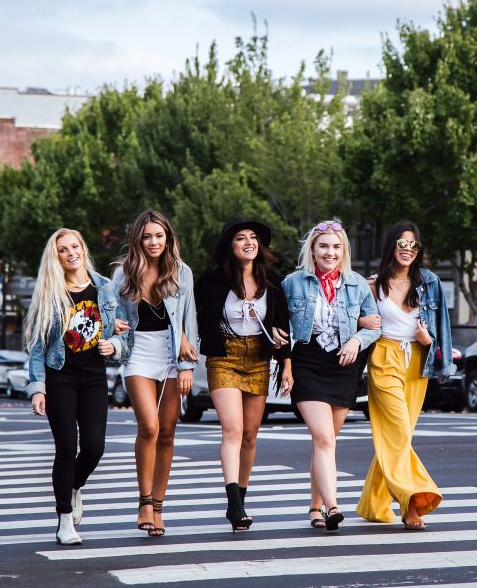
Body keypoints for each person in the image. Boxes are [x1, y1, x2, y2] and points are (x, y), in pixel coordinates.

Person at [25, 228, 127, 545]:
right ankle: (64, 519)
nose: (71, 253)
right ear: (55, 257)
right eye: (63, 249)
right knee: (67, 448)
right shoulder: (49, 293)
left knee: (95, 447)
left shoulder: (105, 288)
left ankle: (74, 485)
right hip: (60, 377)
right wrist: (37, 387)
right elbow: (38, 346)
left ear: (83, 249)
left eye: (75, 246)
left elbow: (125, 333)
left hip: (94, 376)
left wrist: (115, 345)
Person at [356, 221, 455, 530]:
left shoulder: (430, 283)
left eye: (413, 245)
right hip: (384, 358)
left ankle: (373, 504)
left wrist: (429, 342)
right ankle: (414, 501)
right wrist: (361, 320)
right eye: (402, 243)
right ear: (391, 246)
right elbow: (350, 318)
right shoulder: (373, 285)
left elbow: (442, 328)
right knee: (397, 432)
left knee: (398, 436)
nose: (408, 250)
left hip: (417, 363)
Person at [282, 220, 380, 532]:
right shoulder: (293, 283)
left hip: (344, 364)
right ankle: (333, 506)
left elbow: (375, 325)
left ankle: (315, 506)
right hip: (308, 362)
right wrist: (283, 362)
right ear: (312, 249)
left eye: (336, 247)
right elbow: (278, 323)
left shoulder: (357, 284)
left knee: (325, 442)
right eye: (323, 246)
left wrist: (356, 340)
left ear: (344, 251)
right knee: (324, 438)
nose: (330, 252)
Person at [195, 217, 291, 532]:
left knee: (250, 434)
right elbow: (191, 313)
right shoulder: (212, 279)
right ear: (230, 245)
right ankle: (233, 504)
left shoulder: (271, 280)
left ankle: (242, 497)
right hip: (224, 356)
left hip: (258, 359)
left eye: (253, 238)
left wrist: (285, 360)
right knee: (233, 429)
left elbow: (281, 324)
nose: (248, 242)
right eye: (240, 238)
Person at [113, 210, 199, 537]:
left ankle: (159, 507)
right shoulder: (123, 274)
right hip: (138, 353)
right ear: (138, 239)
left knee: (167, 431)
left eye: (159, 236)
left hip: (172, 354)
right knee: (149, 426)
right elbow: (111, 318)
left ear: (168, 238)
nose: (153, 242)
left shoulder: (182, 272)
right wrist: (112, 327)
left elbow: (189, 319)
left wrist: (187, 366)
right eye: (147, 236)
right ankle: (144, 502)